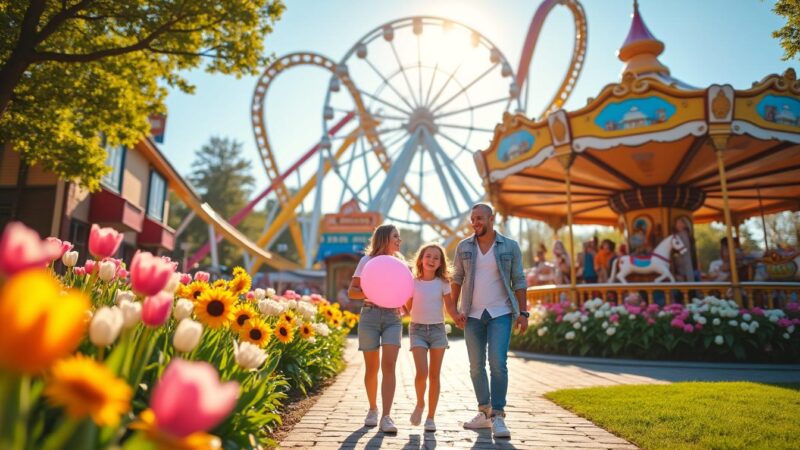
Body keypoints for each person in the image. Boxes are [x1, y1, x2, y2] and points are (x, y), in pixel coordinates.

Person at [451, 203, 528, 439]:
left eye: (480, 218)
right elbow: (456, 278)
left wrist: (523, 313)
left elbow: (519, 280)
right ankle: (484, 412)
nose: (475, 223)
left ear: (491, 219)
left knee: (498, 363)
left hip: (500, 313)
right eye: (473, 219)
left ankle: (499, 416)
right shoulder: (463, 247)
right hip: (472, 314)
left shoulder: (510, 246)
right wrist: (454, 311)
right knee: (476, 367)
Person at [348, 224, 404, 433]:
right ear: (384, 239)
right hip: (369, 315)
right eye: (396, 236)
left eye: (399, 237)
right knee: (371, 368)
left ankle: (386, 417)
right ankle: (373, 409)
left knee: (389, 366)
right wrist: (373, 291)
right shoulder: (366, 261)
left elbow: (405, 291)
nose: (400, 240)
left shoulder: (400, 263)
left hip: (393, 317)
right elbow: (352, 292)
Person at [405, 243, 460, 433]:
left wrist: (458, 318)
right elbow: (407, 307)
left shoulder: (443, 283)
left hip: (437, 331)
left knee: (435, 375)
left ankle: (430, 417)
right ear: (421, 259)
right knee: (421, 373)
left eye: (436, 258)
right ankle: (420, 404)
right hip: (417, 330)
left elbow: (450, 307)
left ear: (440, 263)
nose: (431, 260)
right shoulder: (412, 282)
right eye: (428, 256)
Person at [673, 217, 696, 282]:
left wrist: (675, 255)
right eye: (676, 223)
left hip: (683, 261)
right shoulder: (686, 234)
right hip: (685, 260)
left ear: (684, 225)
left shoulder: (682, 234)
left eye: (678, 223)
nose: (676, 225)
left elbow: (682, 249)